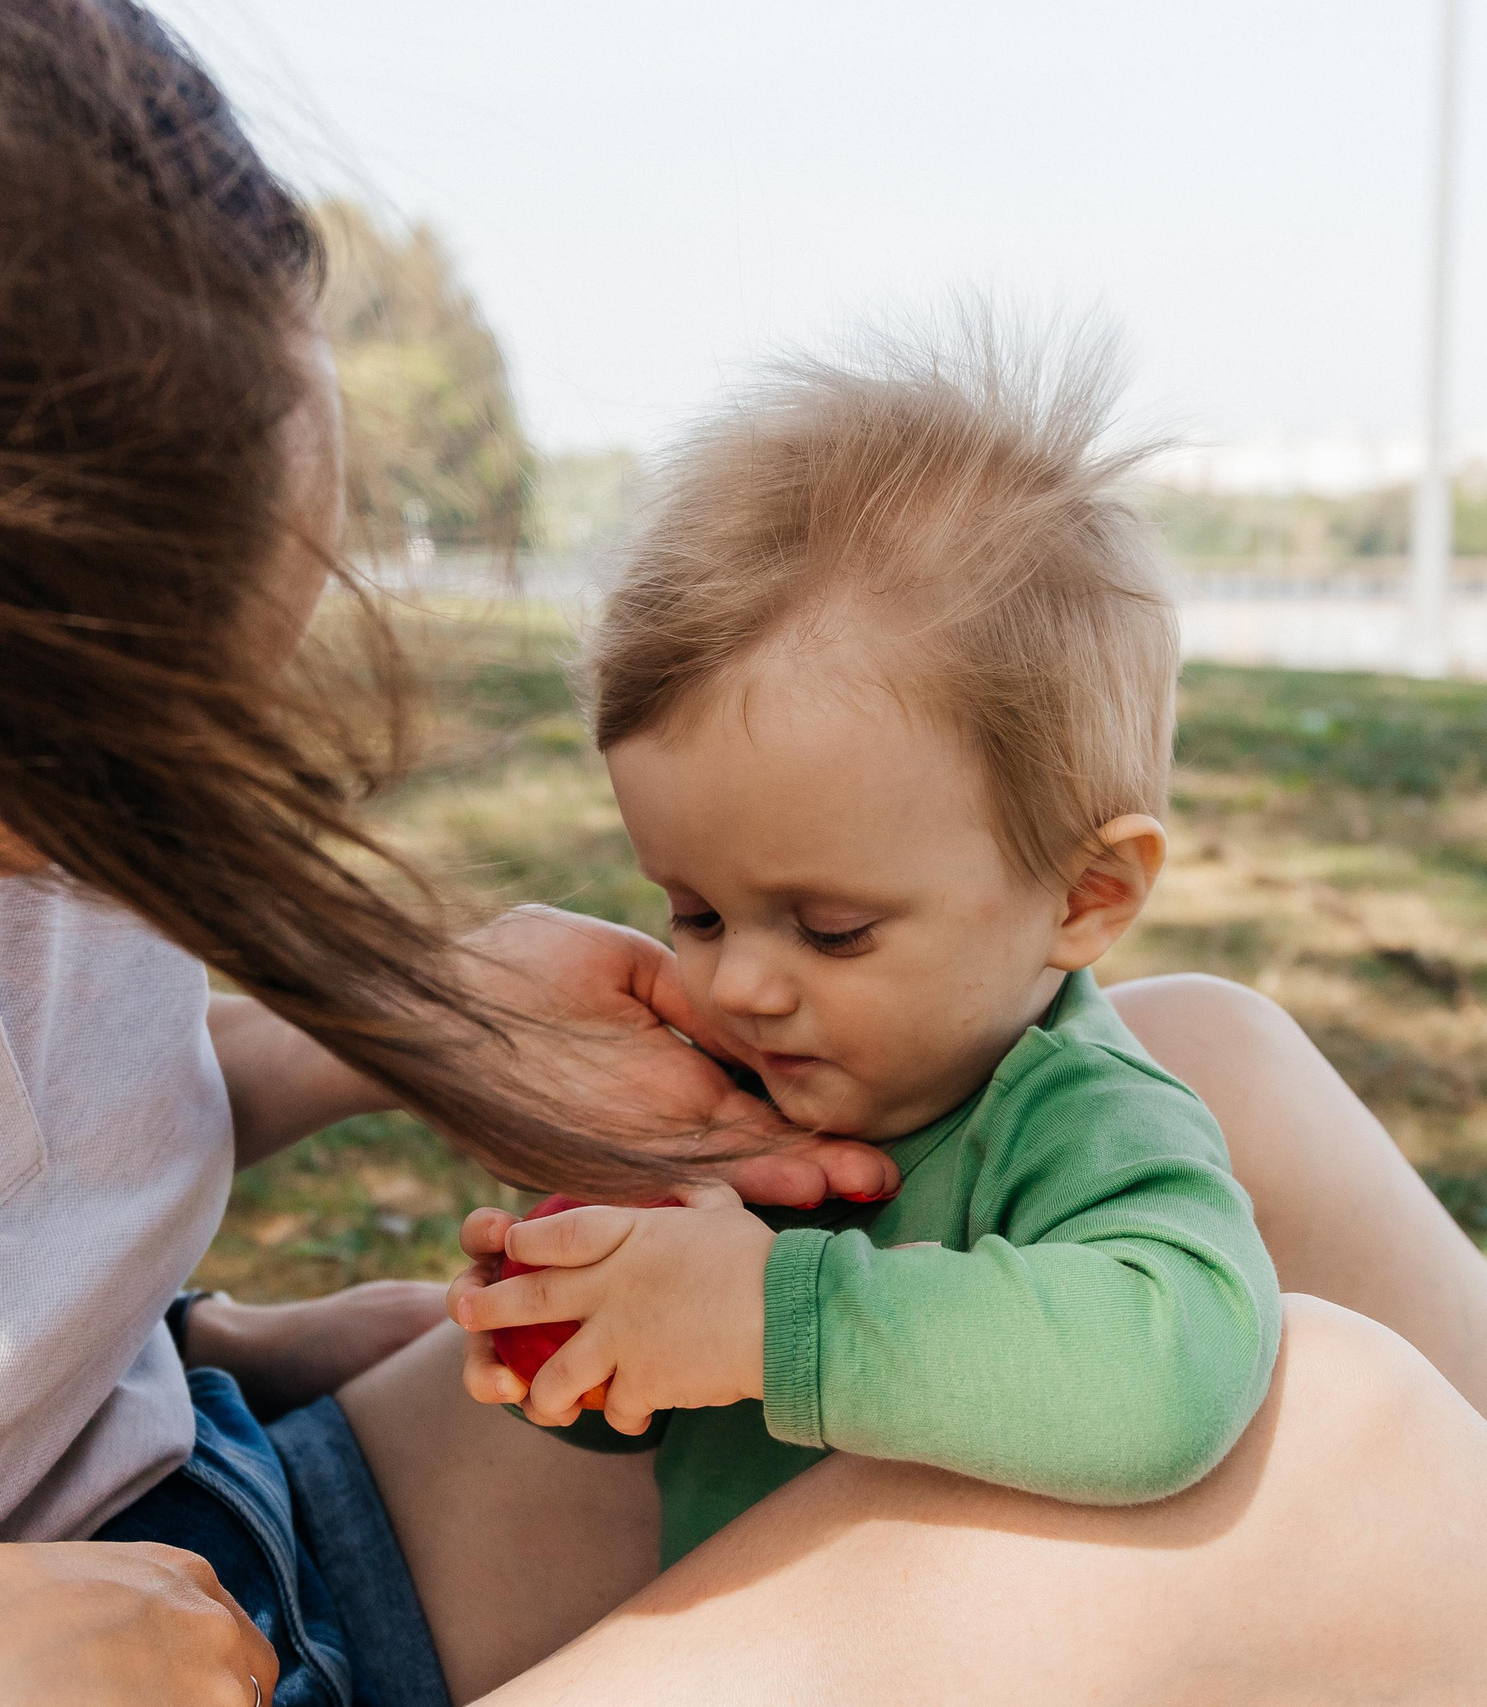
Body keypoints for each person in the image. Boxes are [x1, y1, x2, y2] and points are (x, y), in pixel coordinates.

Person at [0, 2, 1487, 1704]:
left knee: (1183, 1064)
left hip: (236, 1520)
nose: (229, 753)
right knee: (1299, 1443)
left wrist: (399, 1032)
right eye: (150, 726)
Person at [452, 337, 1284, 1571]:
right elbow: (670, 1414)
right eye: (695, 913)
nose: (739, 986)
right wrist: (585, 1314)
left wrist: (775, 1322)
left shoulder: (1075, 1122)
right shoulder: (724, 1099)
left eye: (832, 930)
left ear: (1085, 896)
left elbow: (1173, 1369)